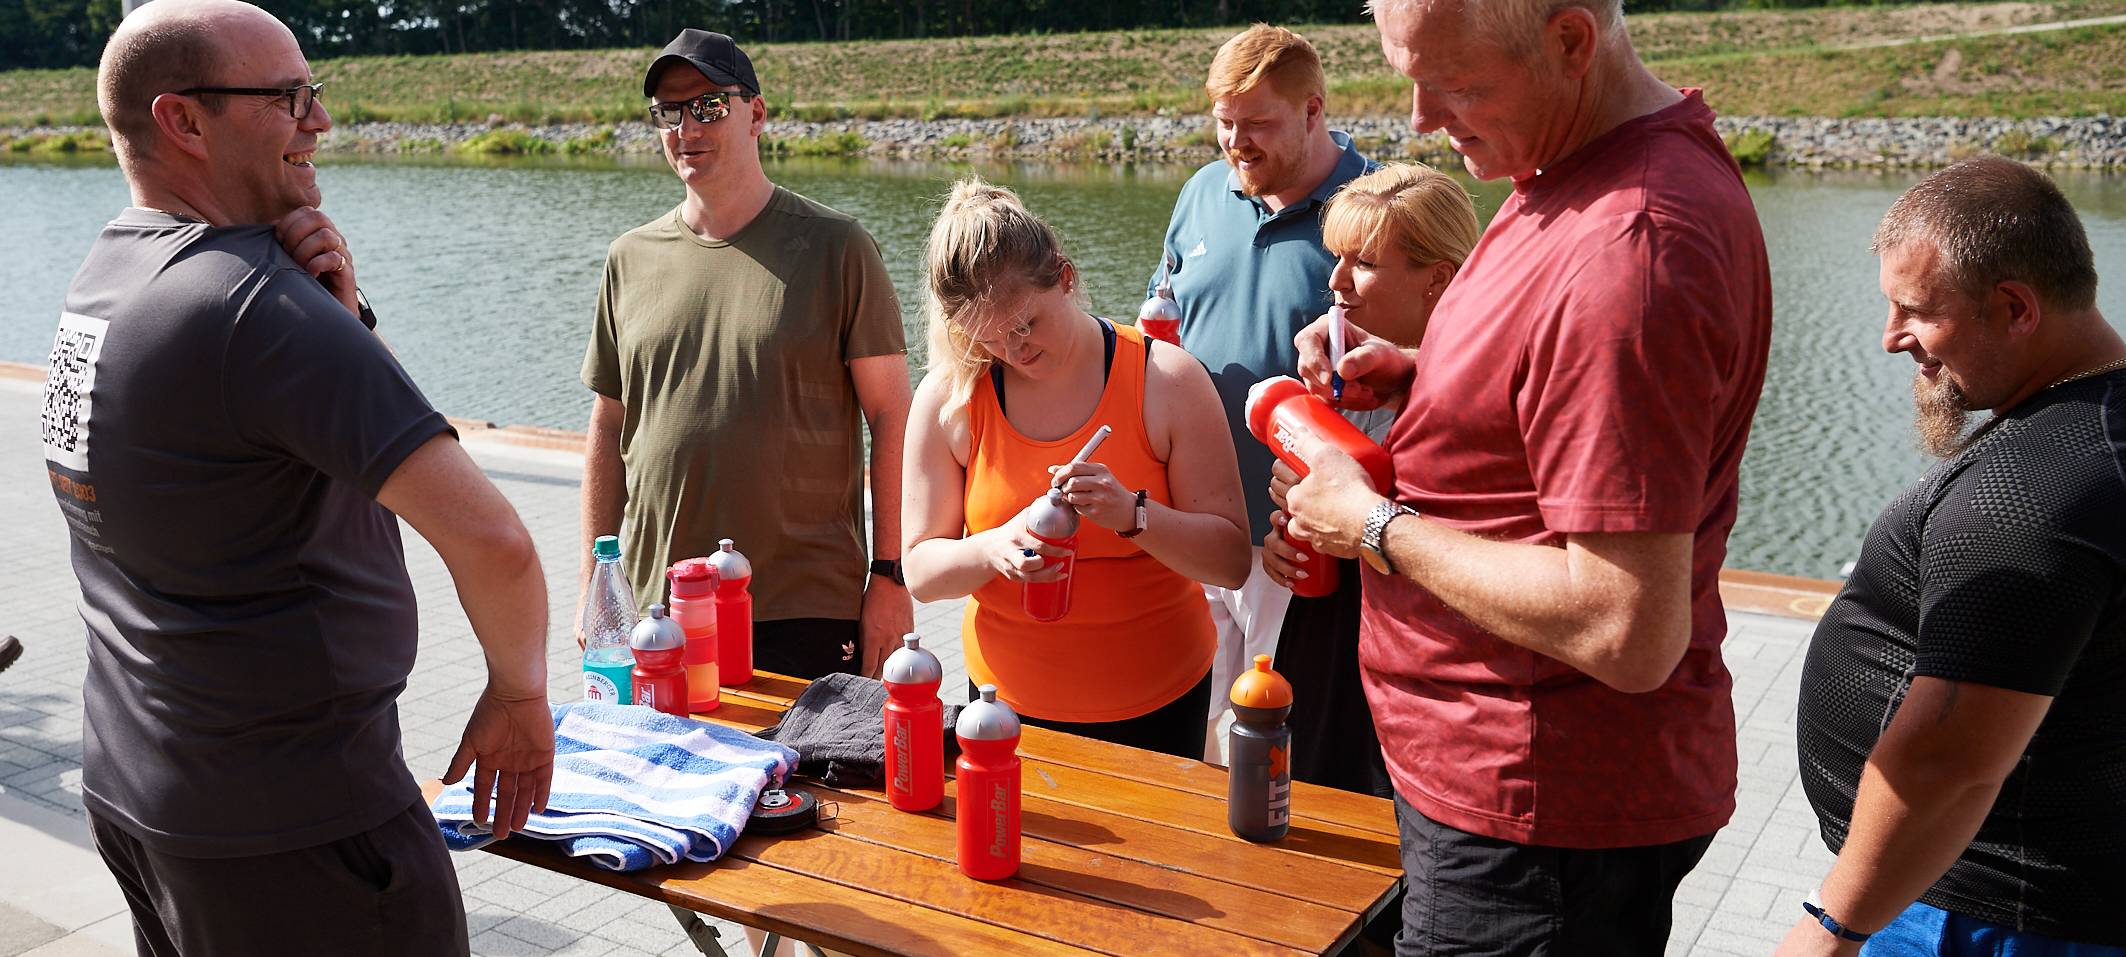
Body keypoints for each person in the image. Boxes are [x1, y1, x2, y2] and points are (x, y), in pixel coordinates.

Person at [46, 2, 553, 953]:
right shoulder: (254, 306)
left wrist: (345, 322)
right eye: (287, 97)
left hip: (147, 789)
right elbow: (495, 539)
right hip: (302, 828)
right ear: (182, 121)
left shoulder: (109, 276)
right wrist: (520, 698)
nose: (319, 121)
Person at [1277, 0, 1774, 951]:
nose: (1420, 117)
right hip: (1509, 796)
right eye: (1409, 75)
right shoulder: (1571, 164)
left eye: (1456, 83)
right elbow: (1564, 380)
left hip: (1537, 826)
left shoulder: (1631, 247)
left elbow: (1624, 623)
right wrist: (1433, 369)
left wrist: (1371, 521)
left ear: (1572, 40)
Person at [1779, 157, 2126, 957]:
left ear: (2014, 308)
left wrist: (1832, 925)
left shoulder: (2036, 491)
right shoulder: (2096, 422)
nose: (1891, 336)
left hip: (1982, 916)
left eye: (1916, 311)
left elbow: (1950, 762)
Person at [579, 28, 912, 680]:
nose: (685, 128)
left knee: (816, 786)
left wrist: (890, 577)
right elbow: (608, 425)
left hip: (801, 606)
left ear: (756, 113)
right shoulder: (630, 257)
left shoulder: (837, 248)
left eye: (707, 106)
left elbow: (893, 415)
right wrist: (597, 585)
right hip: (657, 605)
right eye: (668, 113)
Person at [903, 179, 1249, 759]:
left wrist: (1135, 515)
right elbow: (921, 571)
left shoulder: (1166, 380)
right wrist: (994, 548)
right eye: (988, 339)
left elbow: (1232, 561)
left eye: (1025, 326)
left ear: (1064, 277)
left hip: (1160, 703)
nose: (1014, 352)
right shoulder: (951, 397)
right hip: (1004, 707)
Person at [1148, 23, 1381, 762]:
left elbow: (1413, 387)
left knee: (1278, 750)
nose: (1236, 143)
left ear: (1314, 111)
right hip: (1194, 529)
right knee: (1182, 735)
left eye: (1257, 125)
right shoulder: (1200, 192)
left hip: (1297, 546)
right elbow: (1162, 322)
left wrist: (1324, 526)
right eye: (1223, 123)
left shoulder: (1374, 211)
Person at [1260, 162, 1479, 800]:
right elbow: (1316, 505)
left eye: (1363, 263)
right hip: (1330, 638)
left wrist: (1356, 519)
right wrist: (1291, 529)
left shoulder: (1477, 392)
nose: (1334, 283)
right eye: (1336, 258)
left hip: (1422, 662)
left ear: (1437, 278)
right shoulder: (1343, 371)